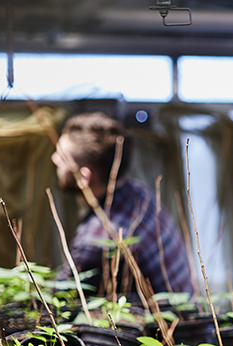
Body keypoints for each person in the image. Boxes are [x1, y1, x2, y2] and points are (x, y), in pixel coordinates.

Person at [52, 112, 194, 296]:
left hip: (167, 324)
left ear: (84, 177)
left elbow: (59, 298)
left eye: (61, 158)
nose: (54, 159)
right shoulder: (138, 194)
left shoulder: (97, 240)